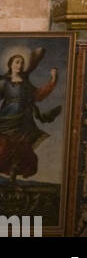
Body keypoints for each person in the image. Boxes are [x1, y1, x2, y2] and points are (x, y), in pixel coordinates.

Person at [0, 50, 60, 181]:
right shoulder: (4, 81)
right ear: (10, 64)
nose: (20, 65)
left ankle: (14, 171)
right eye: (17, 62)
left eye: (22, 63)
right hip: (6, 117)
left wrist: (53, 79)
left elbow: (38, 95)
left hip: (24, 119)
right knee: (4, 145)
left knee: (22, 146)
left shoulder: (26, 83)